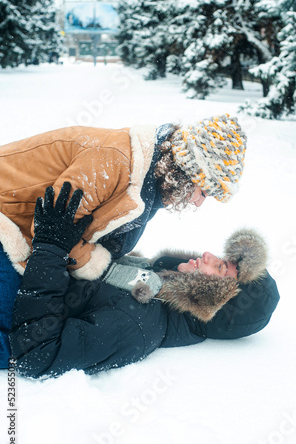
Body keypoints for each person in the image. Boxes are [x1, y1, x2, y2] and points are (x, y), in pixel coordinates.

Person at [0, 114, 247, 367]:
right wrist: (99, 266)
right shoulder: (116, 163)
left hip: (28, 241)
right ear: (188, 169)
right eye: (203, 191)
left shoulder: (149, 185)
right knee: (9, 339)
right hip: (9, 223)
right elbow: (52, 225)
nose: (197, 202)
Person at [9, 183, 279, 378]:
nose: (207, 254)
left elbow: (35, 354)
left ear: (217, 298)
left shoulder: (140, 324)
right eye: (219, 257)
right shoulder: (144, 277)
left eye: (220, 267)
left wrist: (50, 250)